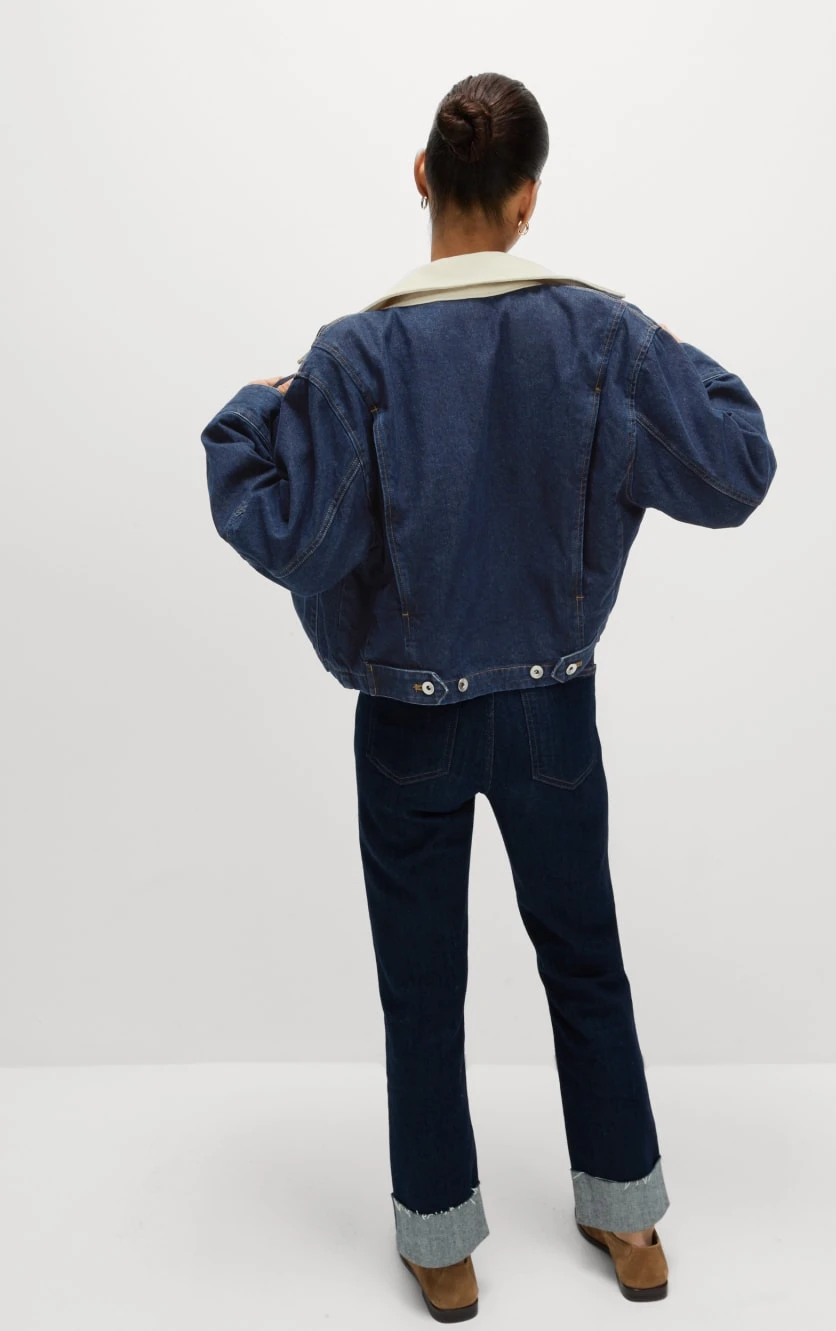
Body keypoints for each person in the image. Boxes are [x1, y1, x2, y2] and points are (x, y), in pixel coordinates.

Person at [201, 71, 778, 1323]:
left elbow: (289, 535)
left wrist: (258, 410)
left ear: (423, 176)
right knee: (586, 959)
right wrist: (642, 339)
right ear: (528, 200)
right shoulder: (599, 332)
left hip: (407, 721)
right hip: (551, 712)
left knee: (422, 988)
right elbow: (736, 465)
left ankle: (442, 1244)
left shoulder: (354, 353)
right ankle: (629, 1219)